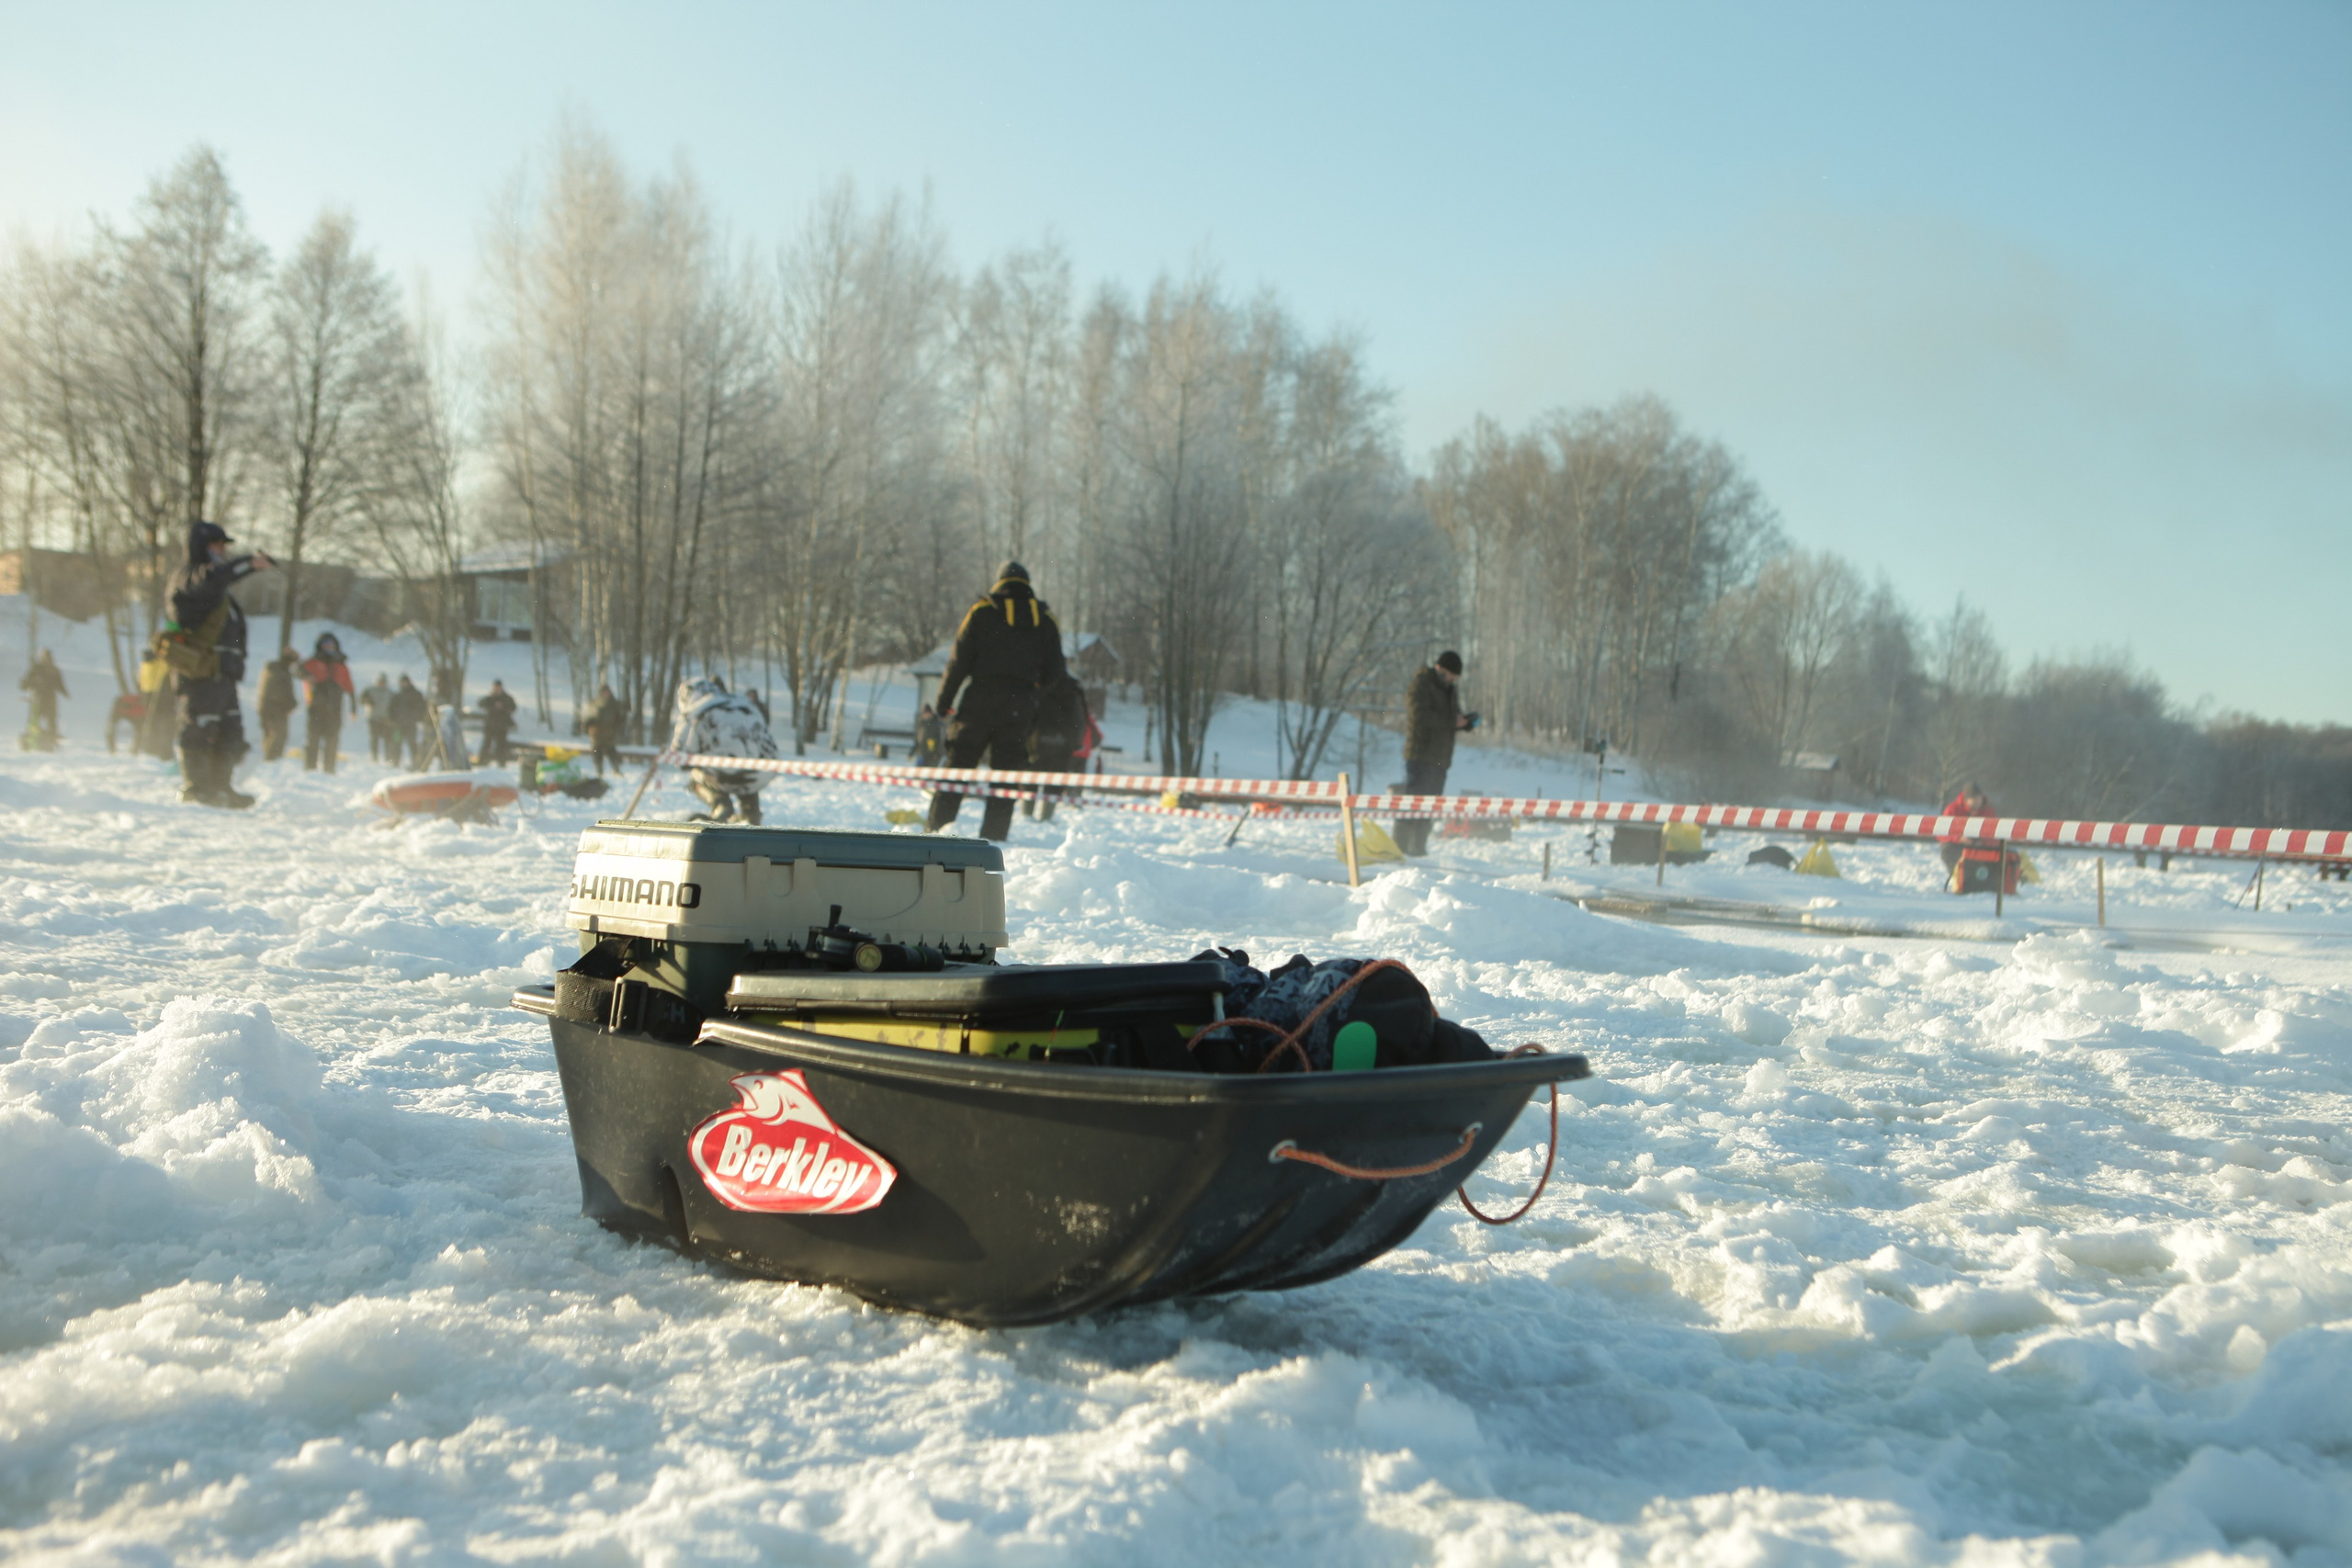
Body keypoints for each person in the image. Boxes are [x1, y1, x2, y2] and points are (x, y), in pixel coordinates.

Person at [925, 561, 1068, 842]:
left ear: (1000, 582)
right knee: (1006, 775)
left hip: (979, 701)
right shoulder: (1046, 619)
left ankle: (936, 834)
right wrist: (1032, 694)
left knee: (958, 768)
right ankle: (993, 839)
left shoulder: (982, 611)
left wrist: (943, 704)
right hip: (1020, 708)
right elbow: (1056, 672)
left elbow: (958, 662)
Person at [160, 519, 273, 808]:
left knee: (230, 733)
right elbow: (214, 577)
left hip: (223, 675)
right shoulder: (190, 576)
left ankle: (221, 788)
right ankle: (196, 788)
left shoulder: (219, 589)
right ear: (201, 547)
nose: (222, 550)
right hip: (200, 673)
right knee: (200, 729)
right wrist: (249, 563)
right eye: (217, 544)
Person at [1393, 650, 1477, 858]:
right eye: (1451, 675)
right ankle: (1398, 849)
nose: (1452, 680)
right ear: (1440, 668)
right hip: (1420, 756)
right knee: (1412, 803)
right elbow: (1421, 717)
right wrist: (1452, 722)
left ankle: (1418, 850)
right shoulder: (1421, 684)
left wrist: (1464, 723)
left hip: (1441, 760)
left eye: (1455, 677)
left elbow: (1449, 719)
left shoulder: (1450, 690)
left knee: (1429, 807)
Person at [670, 675, 777, 823]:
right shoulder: (744, 704)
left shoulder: (695, 711)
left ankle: (721, 806)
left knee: (697, 777)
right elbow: (768, 742)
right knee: (747, 772)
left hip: (722, 775)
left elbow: (681, 758)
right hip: (762, 772)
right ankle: (751, 812)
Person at [1023, 672, 1099, 822]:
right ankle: (1046, 816)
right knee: (1054, 782)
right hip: (1063, 746)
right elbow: (1080, 720)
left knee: (1032, 778)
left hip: (1038, 741)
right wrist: (1074, 744)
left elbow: (1030, 713)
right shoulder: (1073, 690)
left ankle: (1027, 814)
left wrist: (1026, 737)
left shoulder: (1039, 683)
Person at [300, 632, 355, 772]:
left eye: (331, 645)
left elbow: (350, 689)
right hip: (316, 707)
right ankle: (309, 768)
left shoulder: (341, 666)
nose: (329, 648)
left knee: (332, 740)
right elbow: (298, 670)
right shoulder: (312, 662)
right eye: (326, 645)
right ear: (320, 646)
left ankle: (329, 770)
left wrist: (353, 709)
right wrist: (306, 675)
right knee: (313, 738)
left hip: (335, 708)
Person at [256, 648, 300, 761]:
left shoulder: (273, 669)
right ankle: (271, 760)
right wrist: (291, 704)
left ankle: (270, 759)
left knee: (271, 735)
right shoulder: (282, 672)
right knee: (279, 735)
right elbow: (282, 691)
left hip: (267, 707)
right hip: (276, 708)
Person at [1939, 783, 1992, 874]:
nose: (1978, 801)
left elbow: (1994, 834)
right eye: (1974, 799)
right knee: (1947, 850)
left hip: (1981, 845)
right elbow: (1941, 833)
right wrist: (1959, 838)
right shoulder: (1952, 810)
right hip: (1958, 845)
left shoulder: (1988, 811)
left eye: (1979, 798)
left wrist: (1983, 841)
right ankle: (1957, 877)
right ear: (1966, 799)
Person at [18, 649, 66, 750]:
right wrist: (29, 682)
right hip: (37, 699)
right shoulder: (36, 668)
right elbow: (25, 683)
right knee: (34, 721)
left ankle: (50, 741)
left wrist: (64, 692)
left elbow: (59, 683)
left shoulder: (53, 669)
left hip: (50, 700)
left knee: (51, 721)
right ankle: (33, 740)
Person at [388, 674, 428, 770]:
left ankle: (416, 764)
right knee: (396, 743)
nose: (404, 684)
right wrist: (392, 720)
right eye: (402, 682)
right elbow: (391, 709)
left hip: (411, 724)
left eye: (406, 682)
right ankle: (395, 762)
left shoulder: (416, 695)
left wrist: (418, 718)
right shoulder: (397, 696)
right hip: (398, 725)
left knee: (412, 744)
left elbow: (422, 708)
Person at [586, 683, 626, 776]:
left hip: (609, 733)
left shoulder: (614, 704)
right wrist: (589, 722)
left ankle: (616, 770)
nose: (606, 693)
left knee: (612, 752)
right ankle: (599, 771)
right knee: (597, 752)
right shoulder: (594, 703)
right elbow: (588, 716)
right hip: (596, 733)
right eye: (604, 692)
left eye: (607, 691)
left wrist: (618, 725)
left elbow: (619, 718)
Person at [478, 679, 519, 764]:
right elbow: (481, 704)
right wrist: (492, 706)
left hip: (502, 726)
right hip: (490, 725)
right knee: (487, 744)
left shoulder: (506, 698)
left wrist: (503, 707)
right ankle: (482, 762)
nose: (497, 689)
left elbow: (513, 707)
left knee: (501, 745)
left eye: (498, 687)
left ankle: (501, 763)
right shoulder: (490, 698)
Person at [360, 672, 394, 761]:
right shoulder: (370, 690)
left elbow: (393, 705)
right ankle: (374, 757)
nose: (382, 684)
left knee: (387, 740)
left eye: (383, 682)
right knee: (374, 739)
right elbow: (361, 699)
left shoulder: (389, 692)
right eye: (380, 682)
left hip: (385, 719)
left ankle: (388, 757)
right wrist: (368, 701)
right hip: (373, 719)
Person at [106, 688, 148, 754]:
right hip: (123, 709)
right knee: (110, 728)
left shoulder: (143, 705)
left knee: (140, 730)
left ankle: (134, 750)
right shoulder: (143, 705)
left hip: (132, 712)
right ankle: (112, 749)